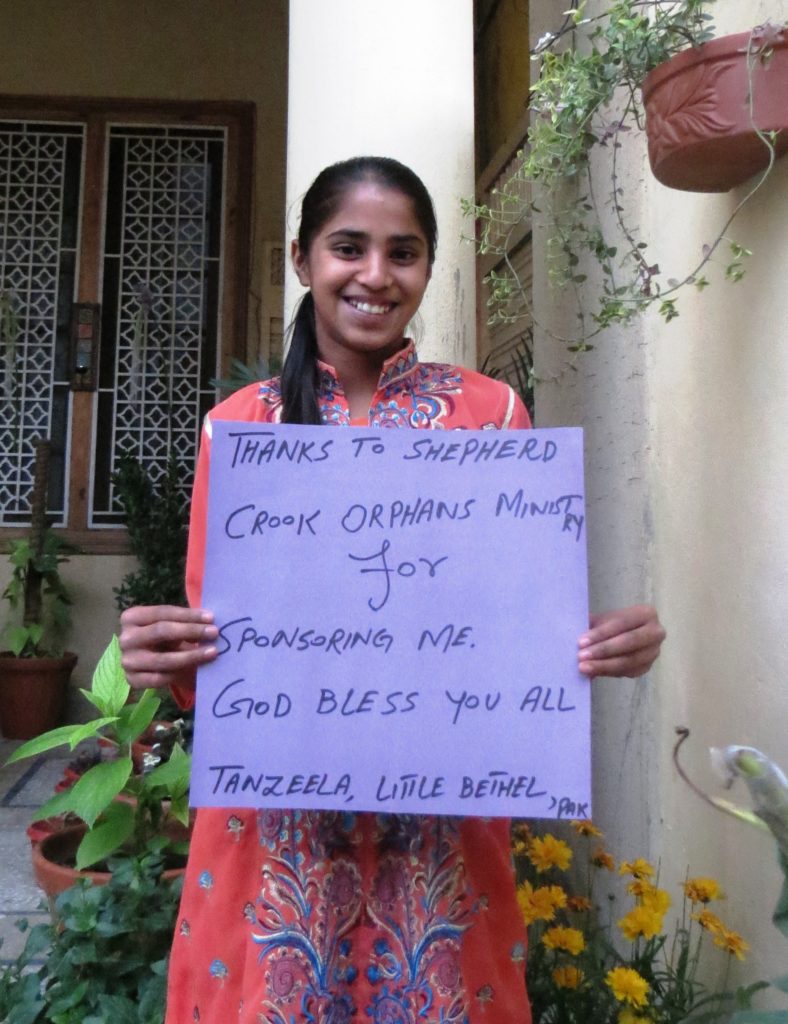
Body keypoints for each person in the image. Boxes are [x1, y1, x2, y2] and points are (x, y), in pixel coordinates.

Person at [120, 156, 666, 1024]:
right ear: (302, 259)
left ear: (427, 267)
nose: (376, 276)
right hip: (278, 857)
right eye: (349, 247)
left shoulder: (491, 417)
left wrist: (598, 647)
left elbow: (511, 638)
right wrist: (165, 658)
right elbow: (220, 666)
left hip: (439, 864)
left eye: (403, 252)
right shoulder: (240, 428)